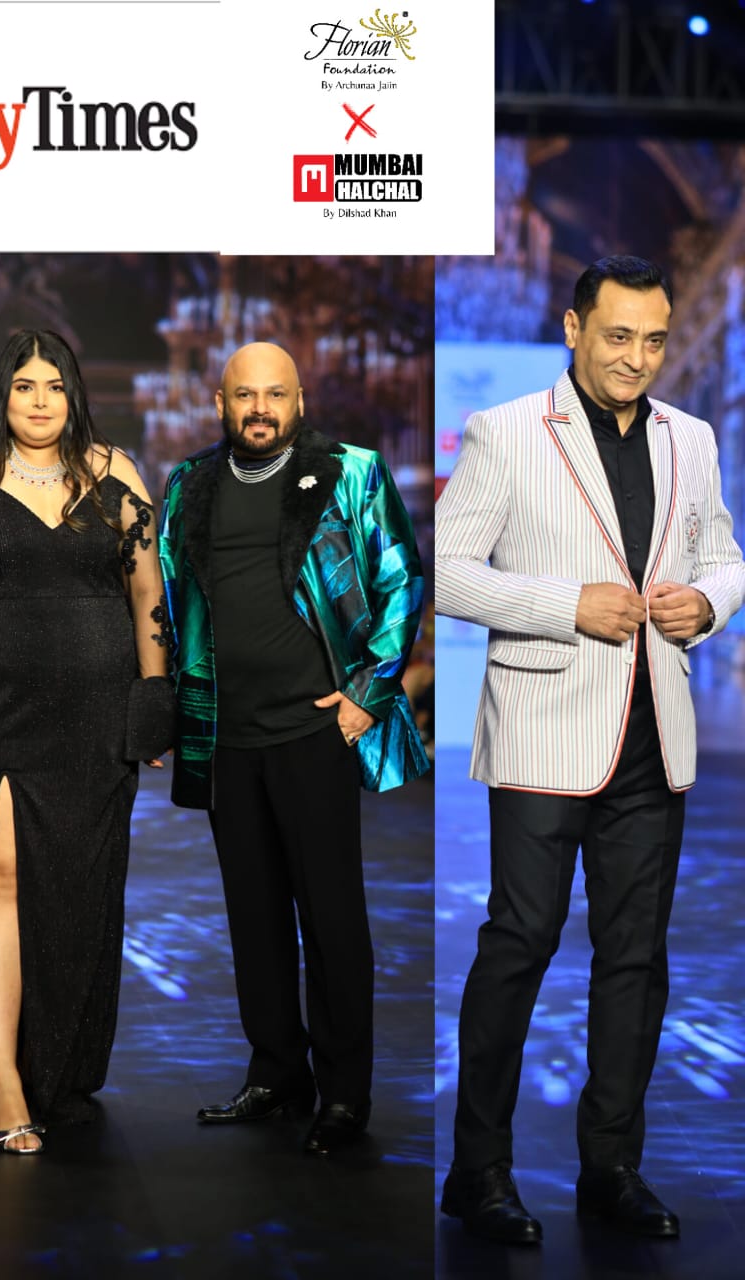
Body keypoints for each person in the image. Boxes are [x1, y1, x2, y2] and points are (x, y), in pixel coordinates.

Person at [436, 255, 745, 1243]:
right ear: (572, 329)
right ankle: (477, 1171)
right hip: (543, 728)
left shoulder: (691, 438)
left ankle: (610, 1168)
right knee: (519, 943)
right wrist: (564, 604)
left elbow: (725, 556)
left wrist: (707, 603)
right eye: (617, 336)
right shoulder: (506, 431)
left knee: (635, 958)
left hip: (653, 734)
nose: (636, 358)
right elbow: (446, 571)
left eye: (653, 340)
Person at [0, 329, 172, 1154]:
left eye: (54, 385)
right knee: (1, 877)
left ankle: (54, 1065)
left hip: (94, 713)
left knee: (77, 892)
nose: (40, 400)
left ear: (73, 394)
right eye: (24, 386)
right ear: (3, 395)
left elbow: (148, 592)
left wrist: (154, 700)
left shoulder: (116, 473)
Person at [158, 341, 428, 1155]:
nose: (261, 409)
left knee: (333, 918)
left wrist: (367, 694)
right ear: (220, 404)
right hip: (227, 736)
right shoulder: (189, 484)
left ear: (300, 401)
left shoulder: (351, 472)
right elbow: (170, 602)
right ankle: (277, 1072)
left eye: (276, 394)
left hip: (316, 731)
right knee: (254, 915)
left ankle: (344, 1094)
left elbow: (403, 579)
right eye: (245, 395)